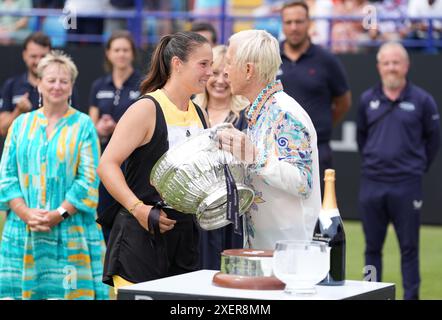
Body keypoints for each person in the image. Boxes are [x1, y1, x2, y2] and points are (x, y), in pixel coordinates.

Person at [97, 32, 213, 291]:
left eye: (211, 65)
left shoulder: (200, 113)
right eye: (203, 64)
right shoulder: (146, 108)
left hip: (184, 239)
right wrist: (138, 209)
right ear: (177, 64)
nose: (210, 72)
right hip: (140, 238)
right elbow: (107, 165)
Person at [0, 50, 108, 300]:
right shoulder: (20, 124)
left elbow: (89, 178)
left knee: (69, 294)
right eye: (51, 80)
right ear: (39, 83)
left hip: (70, 230)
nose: (57, 86)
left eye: (64, 81)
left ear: (71, 87)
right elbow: (6, 175)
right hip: (23, 229)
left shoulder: (83, 126)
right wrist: (25, 213)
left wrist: (58, 214)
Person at [218, 29, 321, 250]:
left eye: (228, 63)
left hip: (291, 256)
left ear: (248, 70)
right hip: (269, 252)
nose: (224, 72)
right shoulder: (262, 112)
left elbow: (303, 182)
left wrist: (254, 157)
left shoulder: (284, 113)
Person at [357, 42, 440, 300]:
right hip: (372, 183)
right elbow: (362, 138)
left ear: (406, 65)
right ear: (379, 66)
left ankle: (411, 296)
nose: (391, 68)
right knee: (371, 248)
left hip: (407, 184)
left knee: (409, 248)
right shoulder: (367, 99)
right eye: (386, 63)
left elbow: (433, 140)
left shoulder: (423, 101)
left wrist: (415, 168)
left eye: (396, 62)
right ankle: (370, 293)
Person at [277, 0, 351, 187]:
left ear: (309, 23)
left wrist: (316, 129)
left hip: (316, 150)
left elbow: (344, 102)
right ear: (282, 24)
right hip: (277, 151)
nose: (294, 28)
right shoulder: (271, 57)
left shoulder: (327, 60)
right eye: (289, 22)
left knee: (319, 213)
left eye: (299, 22)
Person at [193, 44, 248, 269]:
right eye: (214, 73)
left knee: (233, 271)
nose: (220, 81)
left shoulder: (245, 116)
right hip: (197, 206)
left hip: (233, 207)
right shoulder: (191, 111)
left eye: (226, 75)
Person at [88, 30, 142, 243]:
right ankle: (111, 258)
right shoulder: (98, 85)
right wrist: (100, 127)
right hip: (106, 159)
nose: (121, 54)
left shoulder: (143, 83)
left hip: (133, 161)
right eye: (117, 50)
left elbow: (146, 121)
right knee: (106, 212)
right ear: (108, 54)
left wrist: (117, 127)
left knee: (131, 211)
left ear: (132, 54)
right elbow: (91, 123)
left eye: (125, 50)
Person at [0, 32, 51, 137]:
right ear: (24, 55)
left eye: (43, 56)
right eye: (33, 56)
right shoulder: (11, 85)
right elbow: (3, 129)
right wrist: (19, 111)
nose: (38, 61)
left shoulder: (60, 88)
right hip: (19, 151)